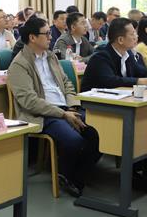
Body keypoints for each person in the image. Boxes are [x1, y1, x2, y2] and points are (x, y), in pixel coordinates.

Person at [8, 17, 101, 197]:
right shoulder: (19, 64)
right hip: (42, 114)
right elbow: (30, 101)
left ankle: (75, 175)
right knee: (74, 141)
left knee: (99, 132)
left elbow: (66, 83)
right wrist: (63, 114)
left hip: (65, 108)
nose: (51, 37)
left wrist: (72, 107)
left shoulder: (50, 56)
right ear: (32, 37)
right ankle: (68, 176)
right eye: (47, 34)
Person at [80, 18, 147, 92]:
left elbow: (143, 72)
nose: (136, 36)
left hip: (119, 99)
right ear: (120, 40)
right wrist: (142, 81)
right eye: (133, 34)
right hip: (94, 102)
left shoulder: (128, 54)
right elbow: (111, 81)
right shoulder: (101, 56)